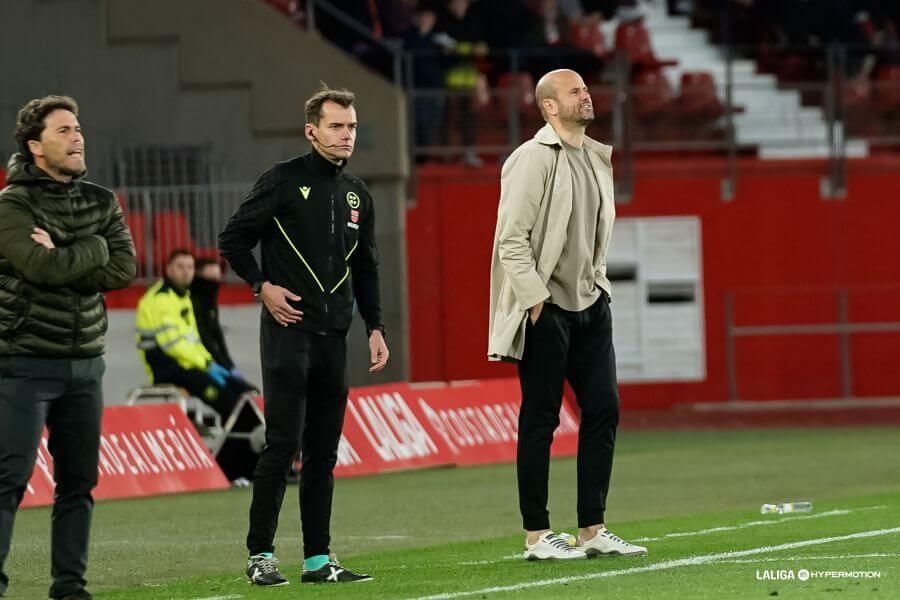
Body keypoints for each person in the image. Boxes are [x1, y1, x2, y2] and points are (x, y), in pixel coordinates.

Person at [219, 84, 388, 586]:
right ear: (312, 131)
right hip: (288, 334)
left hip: (334, 337)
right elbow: (233, 238)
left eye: (352, 127)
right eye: (336, 126)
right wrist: (261, 286)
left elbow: (367, 267)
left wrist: (375, 326)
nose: (346, 135)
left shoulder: (358, 192)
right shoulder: (284, 180)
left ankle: (318, 560)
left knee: (323, 453)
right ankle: (260, 555)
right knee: (281, 444)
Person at [487, 69, 648, 561]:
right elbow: (510, 240)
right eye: (574, 91)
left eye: (585, 88)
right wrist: (536, 302)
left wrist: (598, 287)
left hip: (590, 304)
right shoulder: (532, 159)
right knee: (540, 418)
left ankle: (592, 529)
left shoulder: (597, 157)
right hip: (547, 308)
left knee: (604, 408)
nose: (586, 95)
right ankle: (537, 535)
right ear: (549, 106)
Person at [0, 95, 136, 600]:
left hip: (85, 362)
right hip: (23, 362)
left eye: (78, 128)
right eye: (64, 131)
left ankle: (70, 590)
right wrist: (92, 249)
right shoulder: (12, 205)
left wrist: (67, 251)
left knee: (78, 484)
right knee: (8, 481)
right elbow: (40, 268)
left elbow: (123, 269)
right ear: (36, 146)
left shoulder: (102, 201)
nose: (77, 137)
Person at [135, 249, 258, 480]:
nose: (186, 272)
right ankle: (232, 469)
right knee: (229, 401)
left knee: (245, 395)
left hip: (190, 365)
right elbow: (173, 345)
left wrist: (210, 363)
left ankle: (248, 464)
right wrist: (206, 364)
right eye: (180, 267)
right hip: (168, 367)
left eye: (190, 267)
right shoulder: (160, 298)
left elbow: (193, 340)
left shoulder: (183, 297)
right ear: (169, 269)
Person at [190, 256, 255, 388]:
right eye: (211, 279)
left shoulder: (210, 303)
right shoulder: (191, 303)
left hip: (209, 361)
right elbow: (203, 337)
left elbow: (216, 334)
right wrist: (222, 365)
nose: (215, 283)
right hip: (196, 363)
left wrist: (230, 365)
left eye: (218, 278)